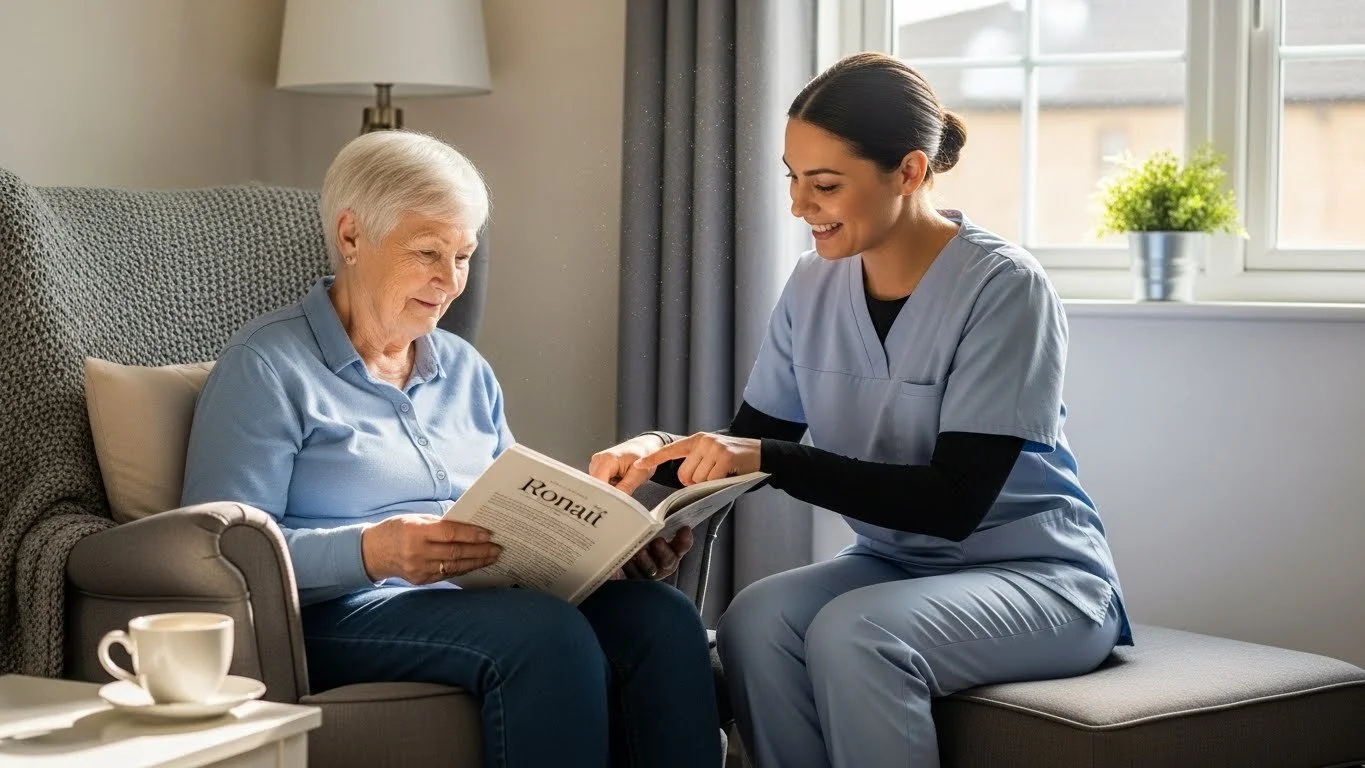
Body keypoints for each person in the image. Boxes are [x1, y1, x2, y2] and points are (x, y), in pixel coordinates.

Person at [588, 52, 1131, 767]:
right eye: (792, 178)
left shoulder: (1004, 289)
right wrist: (650, 454)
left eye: (824, 184)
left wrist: (770, 460)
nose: (797, 205)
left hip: (1038, 577)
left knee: (857, 632)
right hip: (892, 566)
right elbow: (752, 441)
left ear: (908, 172)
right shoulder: (813, 283)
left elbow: (952, 502)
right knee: (754, 620)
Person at [182, 130, 720, 768]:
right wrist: (373, 550)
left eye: (463, 255)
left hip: (474, 599)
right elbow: (218, 552)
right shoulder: (266, 367)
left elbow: (519, 505)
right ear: (351, 236)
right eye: (428, 252)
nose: (449, 280)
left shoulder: (465, 368)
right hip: (340, 612)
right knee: (544, 636)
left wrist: (607, 554)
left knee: (660, 618)